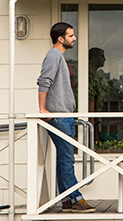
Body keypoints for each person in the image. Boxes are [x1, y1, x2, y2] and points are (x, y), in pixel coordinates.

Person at [37, 22, 95, 213]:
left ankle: (66, 200)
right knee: (67, 159)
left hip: (64, 116)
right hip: (59, 117)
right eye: (71, 36)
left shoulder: (58, 56)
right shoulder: (53, 55)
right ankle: (76, 198)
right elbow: (44, 81)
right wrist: (43, 109)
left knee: (63, 158)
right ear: (61, 39)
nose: (75, 38)